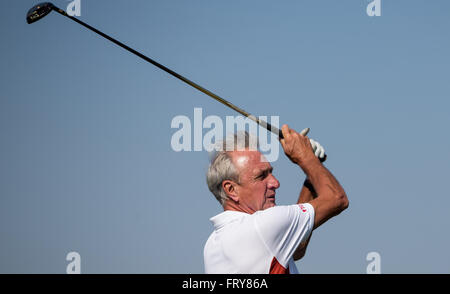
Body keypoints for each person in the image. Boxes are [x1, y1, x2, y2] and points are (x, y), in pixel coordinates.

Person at [203, 125, 349, 274]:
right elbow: (337, 198)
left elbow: (297, 248)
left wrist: (313, 170)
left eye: (270, 173)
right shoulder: (262, 226)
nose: (275, 183)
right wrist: (306, 157)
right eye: (261, 176)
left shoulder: (212, 245)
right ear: (231, 189)